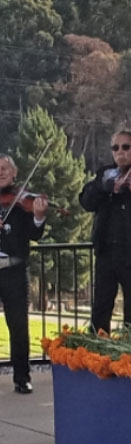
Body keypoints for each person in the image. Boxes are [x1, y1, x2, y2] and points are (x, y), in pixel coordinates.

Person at [79, 128, 131, 334]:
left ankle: (130, 360)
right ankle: (98, 357)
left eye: (125, 147)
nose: (120, 152)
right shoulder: (105, 175)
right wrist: (106, 188)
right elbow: (86, 202)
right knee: (100, 309)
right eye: (115, 148)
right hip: (106, 252)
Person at [0, 155, 48, 394]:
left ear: (14, 173)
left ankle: (22, 377)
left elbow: (34, 234)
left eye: (4, 169)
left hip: (14, 270)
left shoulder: (22, 200)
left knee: (18, 326)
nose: (0, 173)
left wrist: (39, 216)